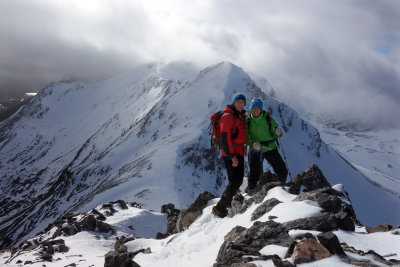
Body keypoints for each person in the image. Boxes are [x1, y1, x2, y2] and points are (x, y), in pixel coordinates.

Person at [212, 93, 247, 218]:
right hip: (231, 154)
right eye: (238, 101)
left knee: (238, 180)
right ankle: (219, 209)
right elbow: (224, 138)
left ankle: (226, 204)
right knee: (234, 181)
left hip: (239, 152)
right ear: (233, 102)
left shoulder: (239, 116)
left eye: (243, 102)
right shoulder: (228, 117)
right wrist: (231, 156)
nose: (241, 104)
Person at [246, 98, 288, 192]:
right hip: (254, 149)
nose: (255, 110)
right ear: (251, 109)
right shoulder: (248, 121)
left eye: (257, 108)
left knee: (282, 170)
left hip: (269, 147)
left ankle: (279, 190)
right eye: (253, 108)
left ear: (261, 109)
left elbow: (277, 133)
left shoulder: (268, 119)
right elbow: (245, 137)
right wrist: (252, 143)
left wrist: (278, 131)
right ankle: (251, 192)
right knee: (254, 175)